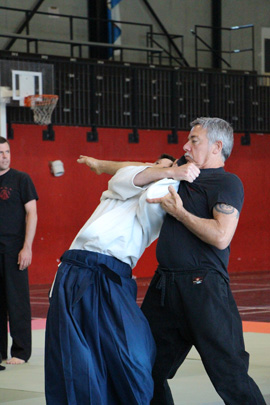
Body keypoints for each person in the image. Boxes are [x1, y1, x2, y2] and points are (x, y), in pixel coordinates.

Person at [45, 153, 200, 405]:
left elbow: (151, 196)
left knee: (135, 353)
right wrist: (168, 170)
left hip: (113, 275)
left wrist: (172, 174)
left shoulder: (168, 196)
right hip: (77, 267)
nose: (159, 168)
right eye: (155, 164)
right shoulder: (121, 186)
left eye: (168, 166)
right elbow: (130, 175)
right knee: (77, 358)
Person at [134, 117, 267, 404]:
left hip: (204, 288)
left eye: (194, 140)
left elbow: (221, 236)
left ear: (217, 147)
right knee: (143, 368)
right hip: (164, 287)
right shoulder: (179, 173)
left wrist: (179, 212)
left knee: (230, 375)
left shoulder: (227, 182)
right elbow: (131, 173)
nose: (185, 145)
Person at [0, 136, 38, 365]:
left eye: (7, 151)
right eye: (0, 152)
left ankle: (21, 352)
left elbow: (31, 213)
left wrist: (27, 247)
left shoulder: (21, 179)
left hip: (14, 249)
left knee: (17, 302)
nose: (4, 155)